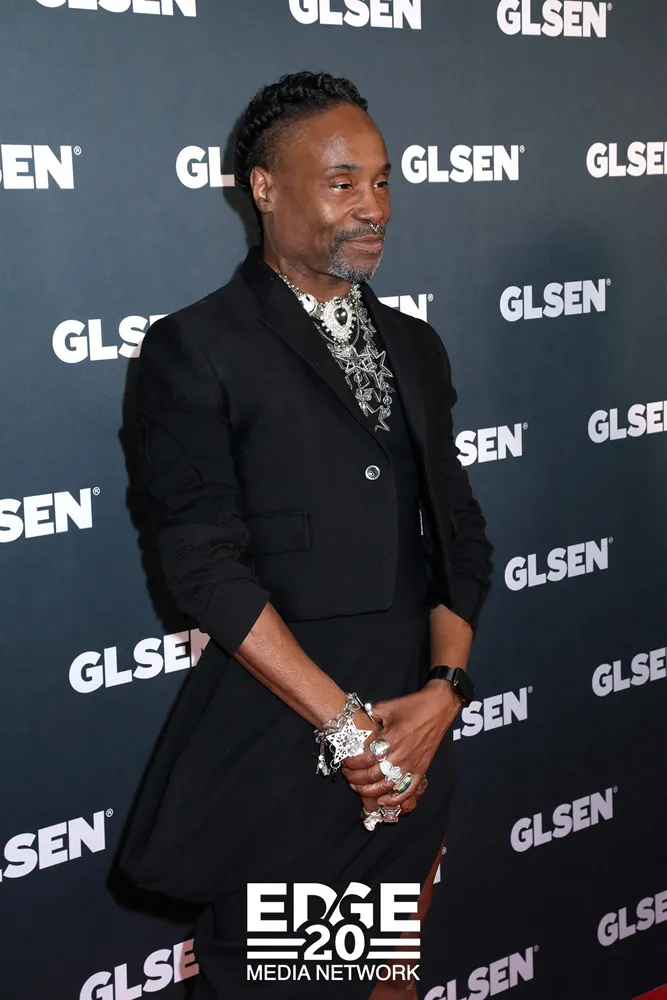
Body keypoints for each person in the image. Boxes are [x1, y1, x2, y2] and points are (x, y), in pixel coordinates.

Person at [117, 71, 493, 999]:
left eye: (382, 180)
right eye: (341, 183)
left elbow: (458, 535)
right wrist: (346, 729)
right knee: (288, 985)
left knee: (386, 978)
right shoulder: (197, 346)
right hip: (288, 744)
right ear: (264, 187)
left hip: (410, 735)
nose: (373, 208)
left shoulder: (414, 344)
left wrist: (443, 693)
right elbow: (202, 566)